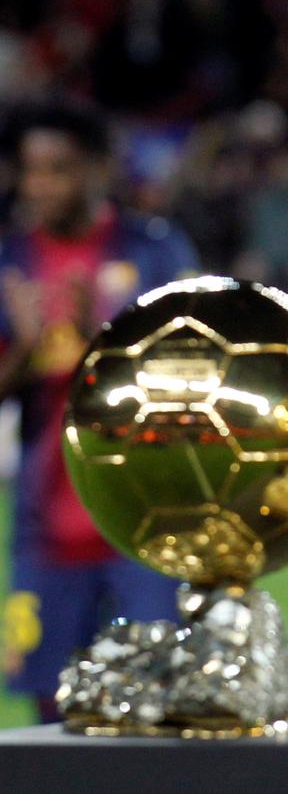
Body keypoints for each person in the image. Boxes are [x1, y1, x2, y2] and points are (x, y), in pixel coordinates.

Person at [0, 105, 199, 723]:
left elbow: (194, 380)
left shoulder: (156, 252)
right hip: (48, 529)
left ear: (97, 169)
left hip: (146, 523)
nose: (43, 186)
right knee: (52, 714)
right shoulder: (9, 263)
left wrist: (102, 345)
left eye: (59, 169)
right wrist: (28, 354)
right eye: (31, 171)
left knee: (157, 707)